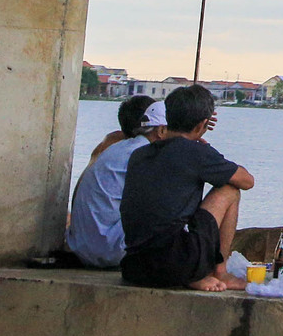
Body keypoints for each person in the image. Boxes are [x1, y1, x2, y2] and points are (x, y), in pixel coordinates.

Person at [120, 84, 254, 291]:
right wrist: (209, 153)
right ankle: (220, 272)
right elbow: (247, 181)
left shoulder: (139, 154)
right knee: (230, 190)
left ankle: (195, 272)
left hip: (135, 266)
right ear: (202, 125)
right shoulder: (196, 153)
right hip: (177, 263)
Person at [63, 96, 164, 268]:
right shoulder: (143, 153)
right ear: (160, 130)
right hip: (108, 250)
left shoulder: (112, 146)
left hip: (82, 247)